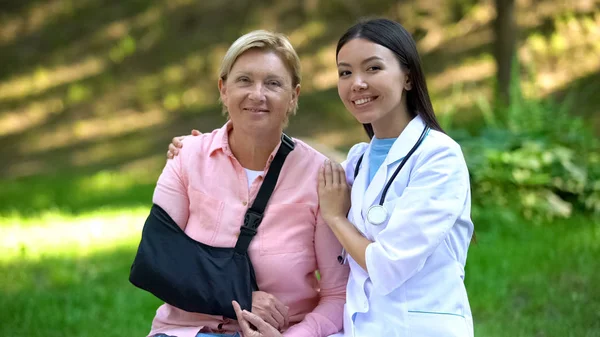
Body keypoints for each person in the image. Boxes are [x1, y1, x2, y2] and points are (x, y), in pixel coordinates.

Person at [169, 18, 475, 337]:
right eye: (345, 72)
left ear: (408, 77)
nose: (357, 83)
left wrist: (335, 217)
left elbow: (387, 267)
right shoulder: (357, 161)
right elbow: (290, 160)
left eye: (373, 68)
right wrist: (202, 148)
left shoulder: (438, 157)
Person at [147, 29, 349, 337]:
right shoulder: (187, 157)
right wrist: (237, 298)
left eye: (272, 83)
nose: (257, 94)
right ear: (223, 88)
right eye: (244, 80)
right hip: (189, 331)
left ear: (293, 95)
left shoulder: (318, 176)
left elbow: (338, 294)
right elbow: (157, 260)